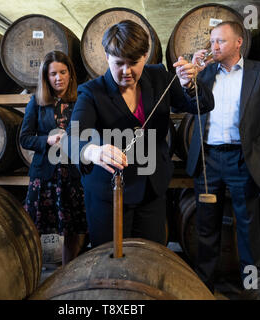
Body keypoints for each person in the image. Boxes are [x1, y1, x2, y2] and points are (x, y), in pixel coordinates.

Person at [64, 20, 214, 248]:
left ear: (145, 56)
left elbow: (200, 106)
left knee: (149, 257)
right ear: (106, 57)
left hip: (151, 189)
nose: (126, 71)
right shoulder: (92, 92)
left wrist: (189, 85)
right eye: (118, 63)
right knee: (110, 260)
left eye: (133, 63)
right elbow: (72, 137)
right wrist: (92, 150)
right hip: (109, 193)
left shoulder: (159, 77)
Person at [187, 21, 260, 292]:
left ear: (238, 42)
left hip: (244, 159)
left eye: (220, 41)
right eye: (212, 41)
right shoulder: (204, 73)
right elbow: (187, 103)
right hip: (208, 160)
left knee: (248, 228)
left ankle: (253, 288)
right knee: (206, 227)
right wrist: (192, 74)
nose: (213, 46)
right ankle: (204, 287)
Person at [20, 50, 87, 265]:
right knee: (35, 229)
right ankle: (33, 271)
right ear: (46, 77)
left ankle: (68, 272)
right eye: (53, 74)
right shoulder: (37, 102)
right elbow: (25, 138)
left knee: (73, 230)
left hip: (73, 176)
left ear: (70, 74)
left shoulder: (81, 101)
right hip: (45, 176)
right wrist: (46, 141)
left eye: (63, 72)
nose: (58, 78)